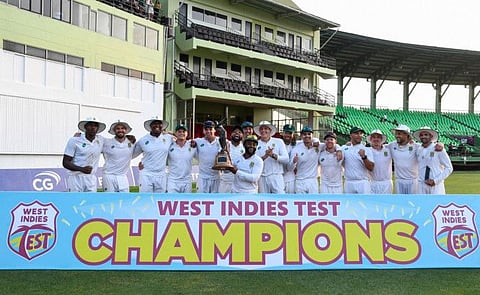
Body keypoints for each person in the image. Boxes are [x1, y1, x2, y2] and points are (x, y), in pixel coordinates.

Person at [63, 117, 106, 192]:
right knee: (75, 202)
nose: (93, 127)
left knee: (91, 203)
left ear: (98, 128)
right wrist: (82, 169)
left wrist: (128, 139)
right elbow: (65, 162)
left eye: (95, 126)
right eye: (90, 125)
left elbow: (115, 142)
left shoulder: (101, 140)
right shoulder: (74, 140)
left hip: (91, 179)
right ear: (85, 127)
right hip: (75, 178)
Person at [132, 116, 174, 193]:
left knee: (160, 200)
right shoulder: (143, 140)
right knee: (145, 199)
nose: (157, 125)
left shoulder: (169, 138)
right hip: (146, 173)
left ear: (162, 126)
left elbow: (182, 140)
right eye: (154, 124)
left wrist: (172, 133)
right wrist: (128, 141)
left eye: (159, 124)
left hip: (161, 174)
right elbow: (131, 155)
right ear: (150, 126)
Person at [413, 126, 453, 194]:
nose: (423, 137)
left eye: (426, 135)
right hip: (421, 184)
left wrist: (436, 181)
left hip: (436, 185)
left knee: (437, 204)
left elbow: (449, 168)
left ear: (431, 136)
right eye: (421, 135)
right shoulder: (418, 149)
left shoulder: (438, 149)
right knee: (421, 204)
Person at [254, 121, 289, 194]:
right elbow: (254, 162)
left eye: (266, 128)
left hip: (276, 176)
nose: (263, 131)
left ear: (270, 130)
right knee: (264, 201)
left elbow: (286, 159)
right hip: (262, 177)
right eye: (261, 129)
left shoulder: (279, 142)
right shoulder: (256, 144)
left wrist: (273, 155)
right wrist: (265, 156)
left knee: (280, 199)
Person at [102, 120, 136, 192]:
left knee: (124, 199)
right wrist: (78, 137)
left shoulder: (131, 142)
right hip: (108, 175)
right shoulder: (106, 142)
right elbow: (92, 143)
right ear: (114, 131)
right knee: (109, 199)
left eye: (122, 128)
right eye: (118, 128)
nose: (120, 130)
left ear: (126, 130)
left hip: (122, 176)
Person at [386, 125, 419, 194]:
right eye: (396, 134)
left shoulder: (416, 146)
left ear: (406, 135)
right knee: (400, 203)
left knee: (412, 203)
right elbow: (378, 147)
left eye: (399, 134)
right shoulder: (392, 145)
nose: (397, 136)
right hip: (398, 180)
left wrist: (440, 144)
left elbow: (428, 147)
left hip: (413, 180)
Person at [341, 126, 374, 194]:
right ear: (350, 135)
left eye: (360, 133)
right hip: (349, 182)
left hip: (362, 182)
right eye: (356, 133)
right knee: (349, 204)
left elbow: (371, 168)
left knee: (364, 204)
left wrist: (364, 157)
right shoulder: (344, 148)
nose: (359, 135)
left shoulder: (366, 149)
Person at [192, 120, 221, 193]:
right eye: (206, 129)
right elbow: (184, 142)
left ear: (214, 130)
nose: (208, 131)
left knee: (215, 200)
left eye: (210, 129)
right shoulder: (198, 141)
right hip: (202, 177)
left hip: (216, 177)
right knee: (201, 200)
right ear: (203, 131)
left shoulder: (221, 141)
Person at [290, 126, 320, 194]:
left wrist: (338, 149)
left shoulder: (318, 146)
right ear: (301, 136)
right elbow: (290, 167)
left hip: (312, 181)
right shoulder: (296, 149)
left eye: (309, 134)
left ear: (313, 135)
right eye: (304, 134)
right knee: (300, 203)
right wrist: (294, 162)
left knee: (313, 202)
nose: (307, 136)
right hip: (300, 181)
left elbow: (331, 145)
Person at [167, 124, 196, 193]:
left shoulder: (192, 145)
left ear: (187, 133)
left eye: (183, 131)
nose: (181, 133)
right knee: (172, 202)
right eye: (179, 131)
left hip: (187, 181)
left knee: (186, 202)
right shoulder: (170, 145)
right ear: (176, 133)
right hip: (173, 181)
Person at [218, 125, 245, 193]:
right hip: (226, 180)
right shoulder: (225, 145)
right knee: (222, 201)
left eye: (239, 132)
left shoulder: (245, 147)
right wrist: (226, 151)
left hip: (239, 181)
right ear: (231, 134)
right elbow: (220, 162)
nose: (237, 133)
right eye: (235, 132)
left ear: (242, 135)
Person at [366, 129, 393, 194]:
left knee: (385, 203)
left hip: (387, 183)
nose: (376, 139)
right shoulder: (367, 150)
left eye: (378, 137)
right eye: (374, 137)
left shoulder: (388, 149)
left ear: (381, 139)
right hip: (372, 183)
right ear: (371, 139)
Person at [281, 124, 297, 194]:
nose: (288, 135)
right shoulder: (278, 144)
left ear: (293, 134)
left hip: (290, 178)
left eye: (290, 133)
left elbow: (311, 141)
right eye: (286, 133)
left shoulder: (296, 145)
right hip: (278, 177)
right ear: (282, 133)